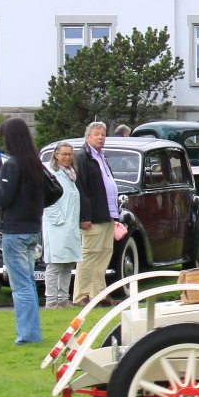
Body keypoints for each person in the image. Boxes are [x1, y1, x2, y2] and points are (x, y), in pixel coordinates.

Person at [0, 117, 46, 344]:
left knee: (21, 287)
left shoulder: (12, 164)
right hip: (32, 228)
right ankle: (31, 332)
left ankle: (28, 335)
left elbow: (2, 197)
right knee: (28, 283)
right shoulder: (34, 163)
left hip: (15, 232)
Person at [73, 121, 119, 306]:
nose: (101, 137)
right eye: (96, 134)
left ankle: (98, 293)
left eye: (103, 134)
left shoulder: (102, 156)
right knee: (89, 255)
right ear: (87, 137)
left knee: (104, 254)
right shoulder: (82, 157)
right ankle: (81, 295)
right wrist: (84, 216)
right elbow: (81, 188)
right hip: (93, 216)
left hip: (107, 213)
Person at [43, 143, 82, 309]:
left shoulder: (71, 173)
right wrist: (59, 220)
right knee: (55, 264)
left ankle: (63, 298)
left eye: (70, 154)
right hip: (57, 226)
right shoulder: (50, 172)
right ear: (56, 155)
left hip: (71, 225)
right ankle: (51, 301)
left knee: (68, 263)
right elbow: (47, 199)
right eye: (64, 154)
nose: (67, 157)